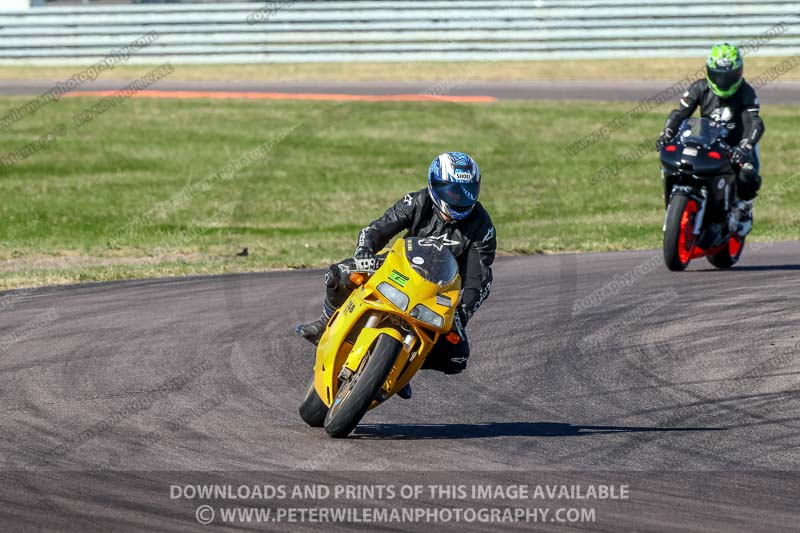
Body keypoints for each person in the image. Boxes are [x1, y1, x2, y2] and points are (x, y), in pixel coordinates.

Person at [295, 152, 496, 399]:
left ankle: (400, 366)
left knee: (456, 356)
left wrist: (463, 312)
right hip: (398, 269)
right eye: (453, 191)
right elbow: (377, 228)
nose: (460, 198)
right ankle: (326, 321)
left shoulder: (482, 227)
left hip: (439, 292)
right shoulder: (417, 201)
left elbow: (480, 278)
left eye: (467, 191)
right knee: (342, 273)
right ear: (435, 184)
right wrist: (364, 252)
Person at [656, 43, 765, 226]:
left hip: (737, 145)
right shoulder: (699, 88)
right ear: (709, 71)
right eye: (719, 76)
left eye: (729, 76)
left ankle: (743, 209)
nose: (724, 82)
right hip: (708, 142)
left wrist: (745, 146)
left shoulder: (746, 92)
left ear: (739, 73)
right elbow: (680, 114)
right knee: (679, 163)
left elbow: (754, 122)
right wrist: (667, 132)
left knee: (748, 175)